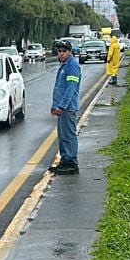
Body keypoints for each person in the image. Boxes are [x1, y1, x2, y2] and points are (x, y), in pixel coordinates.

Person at [50, 39, 81, 174]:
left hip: (67, 108)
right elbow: (59, 88)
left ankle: (71, 163)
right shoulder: (64, 65)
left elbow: (71, 89)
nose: (61, 54)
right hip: (61, 108)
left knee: (68, 136)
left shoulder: (72, 66)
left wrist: (61, 106)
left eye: (64, 51)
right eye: (59, 51)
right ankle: (65, 160)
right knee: (62, 136)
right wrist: (54, 105)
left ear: (70, 52)